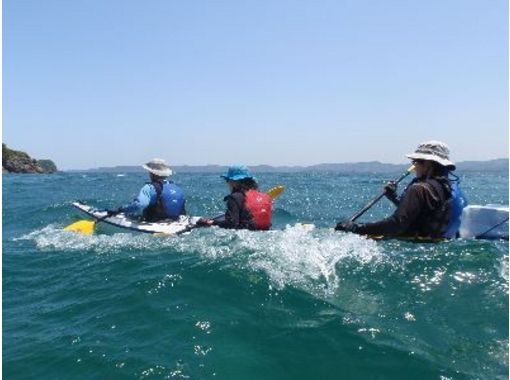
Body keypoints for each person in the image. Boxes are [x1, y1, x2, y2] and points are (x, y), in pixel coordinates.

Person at [335, 141, 467, 239]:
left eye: (415, 162)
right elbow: (423, 213)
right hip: (437, 243)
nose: (414, 167)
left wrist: (356, 228)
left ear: (428, 164)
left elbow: (397, 224)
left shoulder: (419, 189)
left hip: (415, 246)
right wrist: (394, 198)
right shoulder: (447, 187)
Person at [197, 165, 272, 230]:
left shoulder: (234, 198)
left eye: (227, 180)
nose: (227, 183)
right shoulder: (262, 197)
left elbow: (231, 224)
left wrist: (212, 223)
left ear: (234, 182)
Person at [114, 158, 186, 222]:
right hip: (175, 221)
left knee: (133, 214)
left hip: (155, 221)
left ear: (151, 173)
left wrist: (122, 209)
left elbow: (140, 204)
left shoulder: (149, 187)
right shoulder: (176, 187)